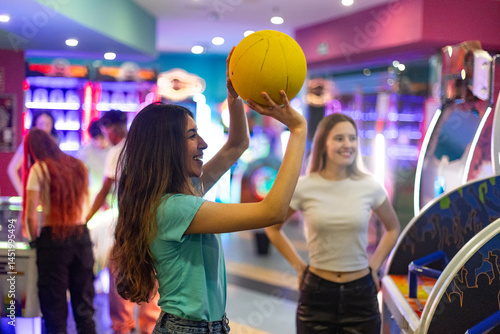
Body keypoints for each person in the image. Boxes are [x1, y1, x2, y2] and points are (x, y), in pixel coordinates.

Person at [112, 49, 307, 334]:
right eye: (192, 136)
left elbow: (237, 145)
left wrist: (235, 96)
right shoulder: (175, 208)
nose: (203, 144)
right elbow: (273, 211)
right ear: (166, 148)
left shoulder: (183, 194)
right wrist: (298, 130)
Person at [265, 113, 401, 334]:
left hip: (361, 296)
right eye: (339, 138)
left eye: (352, 138)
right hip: (317, 294)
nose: (347, 144)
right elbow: (272, 227)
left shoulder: (369, 185)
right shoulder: (304, 186)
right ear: (323, 144)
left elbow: (393, 228)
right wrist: (299, 266)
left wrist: (375, 266)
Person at [86, 109, 160, 334]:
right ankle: (150, 327)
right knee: (152, 276)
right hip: (154, 224)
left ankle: (123, 327)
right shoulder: (150, 150)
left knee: (120, 275)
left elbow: (105, 189)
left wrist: (85, 220)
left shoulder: (118, 151)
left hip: (128, 226)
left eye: (106, 129)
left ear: (112, 128)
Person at [22, 128, 96, 334]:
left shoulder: (40, 169)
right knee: (85, 309)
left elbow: (30, 215)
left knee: (54, 309)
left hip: (52, 241)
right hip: (81, 237)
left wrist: (34, 238)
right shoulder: (78, 166)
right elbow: (85, 205)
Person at [8, 110, 59, 196]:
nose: (45, 128)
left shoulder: (55, 143)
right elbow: (11, 169)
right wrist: (22, 193)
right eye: (41, 124)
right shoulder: (28, 143)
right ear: (35, 125)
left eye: (48, 124)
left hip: (50, 194)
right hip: (33, 191)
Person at [77, 119, 110, 202]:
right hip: (92, 195)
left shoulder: (114, 150)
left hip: (111, 194)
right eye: (96, 139)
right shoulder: (86, 151)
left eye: (102, 138)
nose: (99, 142)